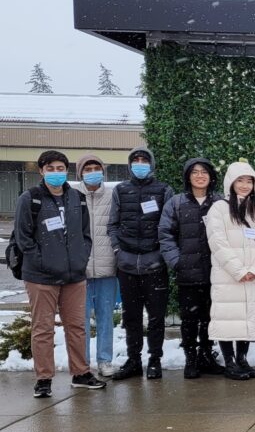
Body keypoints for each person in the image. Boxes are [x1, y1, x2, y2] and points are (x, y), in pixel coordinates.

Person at [15, 150, 105, 396]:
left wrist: (81, 257)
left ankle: (81, 373)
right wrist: (42, 261)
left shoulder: (77, 197)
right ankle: (44, 378)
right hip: (41, 277)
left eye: (60, 168)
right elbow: (23, 238)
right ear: (41, 171)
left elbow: (85, 234)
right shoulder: (30, 198)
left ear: (66, 171)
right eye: (50, 168)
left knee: (77, 326)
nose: (56, 173)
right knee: (43, 329)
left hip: (74, 275)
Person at [108, 147, 174, 380]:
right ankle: (133, 360)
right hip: (126, 265)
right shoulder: (120, 190)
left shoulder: (164, 190)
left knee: (156, 316)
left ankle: (154, 359)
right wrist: (118, 250)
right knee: (132, 317)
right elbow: (112, 225)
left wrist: (161, 254)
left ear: (151, 164)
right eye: (135, 161)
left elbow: (169, 226)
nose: (139, 164)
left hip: (155, 265)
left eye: (144, 160)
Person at [158, 158, 225, 379]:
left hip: (215, 272)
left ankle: (207, 355)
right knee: (189, 319)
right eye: (194, 172)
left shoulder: (220, 202)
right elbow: (165, 235)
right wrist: (177, 261)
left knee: (210, 317)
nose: (199, 176)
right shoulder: (176, 203)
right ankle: (191, 358)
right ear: (188, 177)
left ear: (211, 176)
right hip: (187, 273)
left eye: (204, 172)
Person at [206, 162, 255, 380]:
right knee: (227, 318)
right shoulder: (219, 209)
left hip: (253, 276)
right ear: (231, 182)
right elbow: (217, 242)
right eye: (240, 180)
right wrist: (238, 270)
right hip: (228, 275)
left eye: (249, 181)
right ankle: (230, 362)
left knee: (246, 318)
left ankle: (242, 358)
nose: (245, 185)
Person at [71, 154, 118, 377]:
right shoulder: (71, 195)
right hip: (79, 269)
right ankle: (82, 363)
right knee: (79, 319)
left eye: (96, 167)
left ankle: (105, 360)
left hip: (107, 266)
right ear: (80, 172)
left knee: (105, 316)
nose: (92, 172)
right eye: (87, 168)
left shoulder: (113, 194)